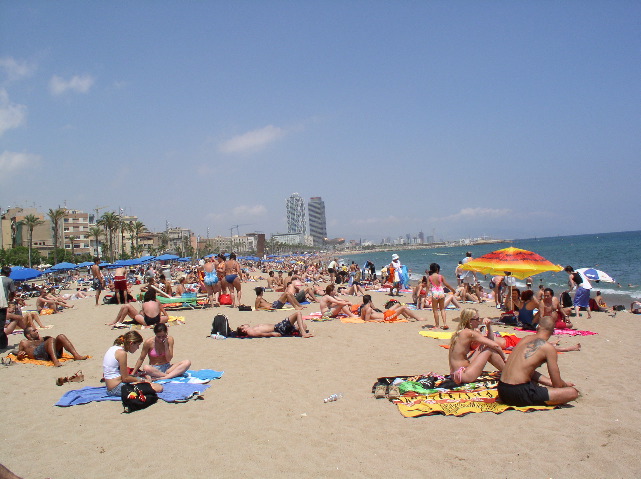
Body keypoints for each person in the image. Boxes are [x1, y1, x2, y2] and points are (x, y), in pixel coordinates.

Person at [498, 316, 579, 406]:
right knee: (572, 392)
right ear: (552, 332)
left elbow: (528, 370)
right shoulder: (548, 348)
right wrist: (564, 384)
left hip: (502, 390)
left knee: (530, 373)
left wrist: (553, 383)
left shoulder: (525, 338)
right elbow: (557, 385)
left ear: (538, 327)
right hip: (518, 392)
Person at [448, 308, 506, 385]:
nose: (479, 321)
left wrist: (488, 326)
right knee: (489, 350)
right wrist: (504, 358)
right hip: (464, 374)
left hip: (456, 373)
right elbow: (495, 345)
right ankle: (508, 372)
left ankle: (507, 371)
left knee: (483, 347)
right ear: (470, 321)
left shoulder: (460, 332)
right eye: (477, 319)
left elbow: (489, 341)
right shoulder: (469, 333)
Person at [103, 331, 163, 396]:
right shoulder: (121, 353)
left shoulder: (113, 348)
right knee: (158, 387)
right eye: (137, 345)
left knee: (145, 380)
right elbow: (125, 378)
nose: (138, 348)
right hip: (116, 388)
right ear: (131, 343)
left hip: (111, 386)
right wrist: (141, 380)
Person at [16, 326, 87, 367]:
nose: (37, 331)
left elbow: (52, 343)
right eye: (34, 331)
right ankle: (55, 361)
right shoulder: (24, 342)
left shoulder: (41, 339)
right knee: (51, 340)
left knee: (61, 336)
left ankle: (76, 355)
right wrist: (20, 355)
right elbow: (19, 354)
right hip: (37, 354)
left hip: (47, 353)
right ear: (28, 335)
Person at [427, 263, 458, 330]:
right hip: (441, 293)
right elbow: (447, 284)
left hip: (435, 293)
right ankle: (445, 324)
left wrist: (426, 294)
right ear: (437, 269)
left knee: (435, 310)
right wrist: (453, 290)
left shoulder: (430, 277)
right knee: (442, 309)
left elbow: (427, 286)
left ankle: (437, 325)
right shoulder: (441, 276)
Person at [236, 311, 313, 338]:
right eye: (242, 325)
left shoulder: (251, 329)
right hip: (278, 328)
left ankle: (301, 331)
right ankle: (303, 333)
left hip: (279, 327)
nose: (244, 324)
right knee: (298, 313)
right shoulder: (250, 331)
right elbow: (261, 334)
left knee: (304, 325)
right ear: (243, 329)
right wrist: (272, 334)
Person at [359, 295, 424, 322]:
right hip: (387, 317)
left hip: (385, 314)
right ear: (370, 301)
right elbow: (367, 320)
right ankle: (418, 318)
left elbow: (362, 318)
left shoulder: (363, 308)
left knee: (398, 304)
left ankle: (408, 317)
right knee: (403, 307)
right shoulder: (369, 309)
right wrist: (379, 320)